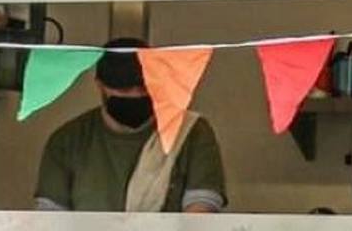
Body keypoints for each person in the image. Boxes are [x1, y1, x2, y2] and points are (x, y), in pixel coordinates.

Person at [34, 38, 225, 214]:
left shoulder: (190, 131)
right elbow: (51, 218)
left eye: (144, 87)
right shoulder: (68, 141)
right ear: (100, 86)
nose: (135, 95)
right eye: (123, 88)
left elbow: (201, 208)